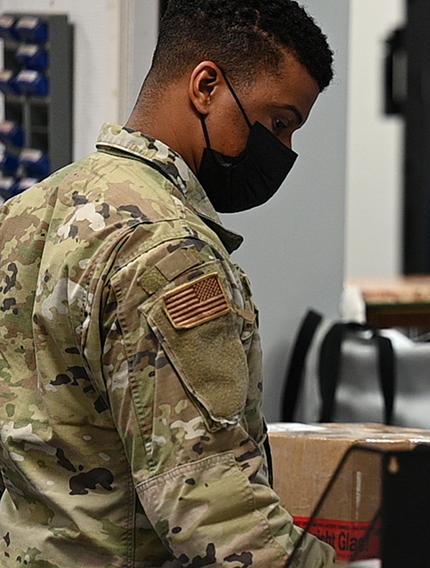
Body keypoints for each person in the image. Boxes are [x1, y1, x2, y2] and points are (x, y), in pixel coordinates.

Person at [0, 0, 336, 565]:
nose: (284, 150)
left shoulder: (24, 214)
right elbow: (213, 509)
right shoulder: (168, 251)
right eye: (278, 123)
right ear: (205, 86)